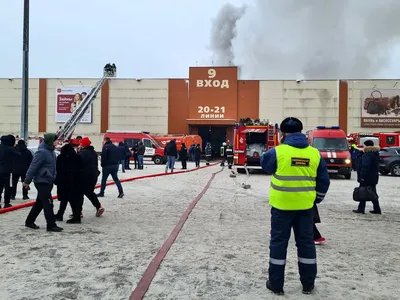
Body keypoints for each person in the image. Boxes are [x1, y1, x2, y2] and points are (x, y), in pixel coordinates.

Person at [260, 117, 330, 295]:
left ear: (283, 133)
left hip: (281, 207)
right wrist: (316, 199)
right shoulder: (314, 154)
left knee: (278, 244)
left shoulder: (277, 152)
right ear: (301, 131)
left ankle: (276, 284)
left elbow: (265, 165)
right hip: (305, 208)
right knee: (306, 244)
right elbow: (324, 181)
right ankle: (308, 284)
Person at [24, 133, 63, 232]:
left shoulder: (51, 152)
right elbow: (33, 167)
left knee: (40, 203)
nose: (57, 142)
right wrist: (27, 181)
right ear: (50, 141)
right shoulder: (42, 152)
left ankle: (29, 221)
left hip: (48, 180)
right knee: (48, 202)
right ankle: (51, 225)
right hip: (41, 181)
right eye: (55, 140)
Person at [54, 143, 83, 223]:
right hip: (75, 182)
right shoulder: (78, 157)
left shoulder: (61, 158)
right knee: (71, 199)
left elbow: (58, 170)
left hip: (64, 182)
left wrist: (57, 180)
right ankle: (62, 214)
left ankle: (75, 216)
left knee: (66, 199)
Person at [77, 137, 104, 220]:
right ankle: (99, 206)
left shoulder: (82, 153)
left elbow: (79, 164)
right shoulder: (94, 152)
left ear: (83, 144)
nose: (79, 145)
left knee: (79, 194)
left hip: (84, 176)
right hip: (93, 176)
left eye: (80, 143)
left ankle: (78, 211)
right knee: (89, 192)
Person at [353, 140, 381, 214]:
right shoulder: (374, 153)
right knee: (372, 192)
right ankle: (377, 209)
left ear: (367, 146)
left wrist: (362, 176)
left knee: (363, 192)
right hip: (373, 177)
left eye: (364, 145)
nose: (363, 147)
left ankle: (361, 209)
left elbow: (365, 166)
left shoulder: (367, 154)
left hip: (366, 177)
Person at [0, 135, 21, 208]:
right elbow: (19, 155)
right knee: (7, 187)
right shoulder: (10, 149)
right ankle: (6, 203)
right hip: (7, 171)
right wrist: (15, 147)